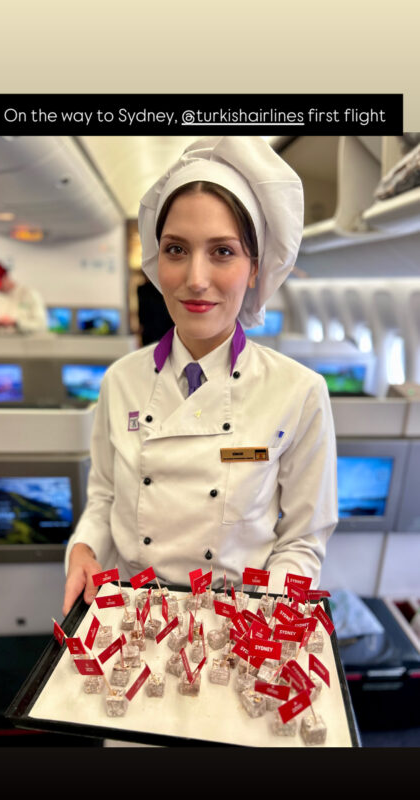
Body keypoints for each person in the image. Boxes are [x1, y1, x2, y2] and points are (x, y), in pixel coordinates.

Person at [63, 137, 338, 616]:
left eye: (222, 252)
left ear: (255, 268)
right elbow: (104, 496)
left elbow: (302, 540)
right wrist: (84, 548)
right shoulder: (120, 380)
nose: (195, 278)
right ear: (155, 262)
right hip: (135, 617)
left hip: (239, 621)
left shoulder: (299, 392)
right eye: (176, 249)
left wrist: (255, 621)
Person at [0, 262, 48, 334]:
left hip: (23, 343)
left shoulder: (29, 294)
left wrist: (15, 323)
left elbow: (41, 326)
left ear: (6, 277)